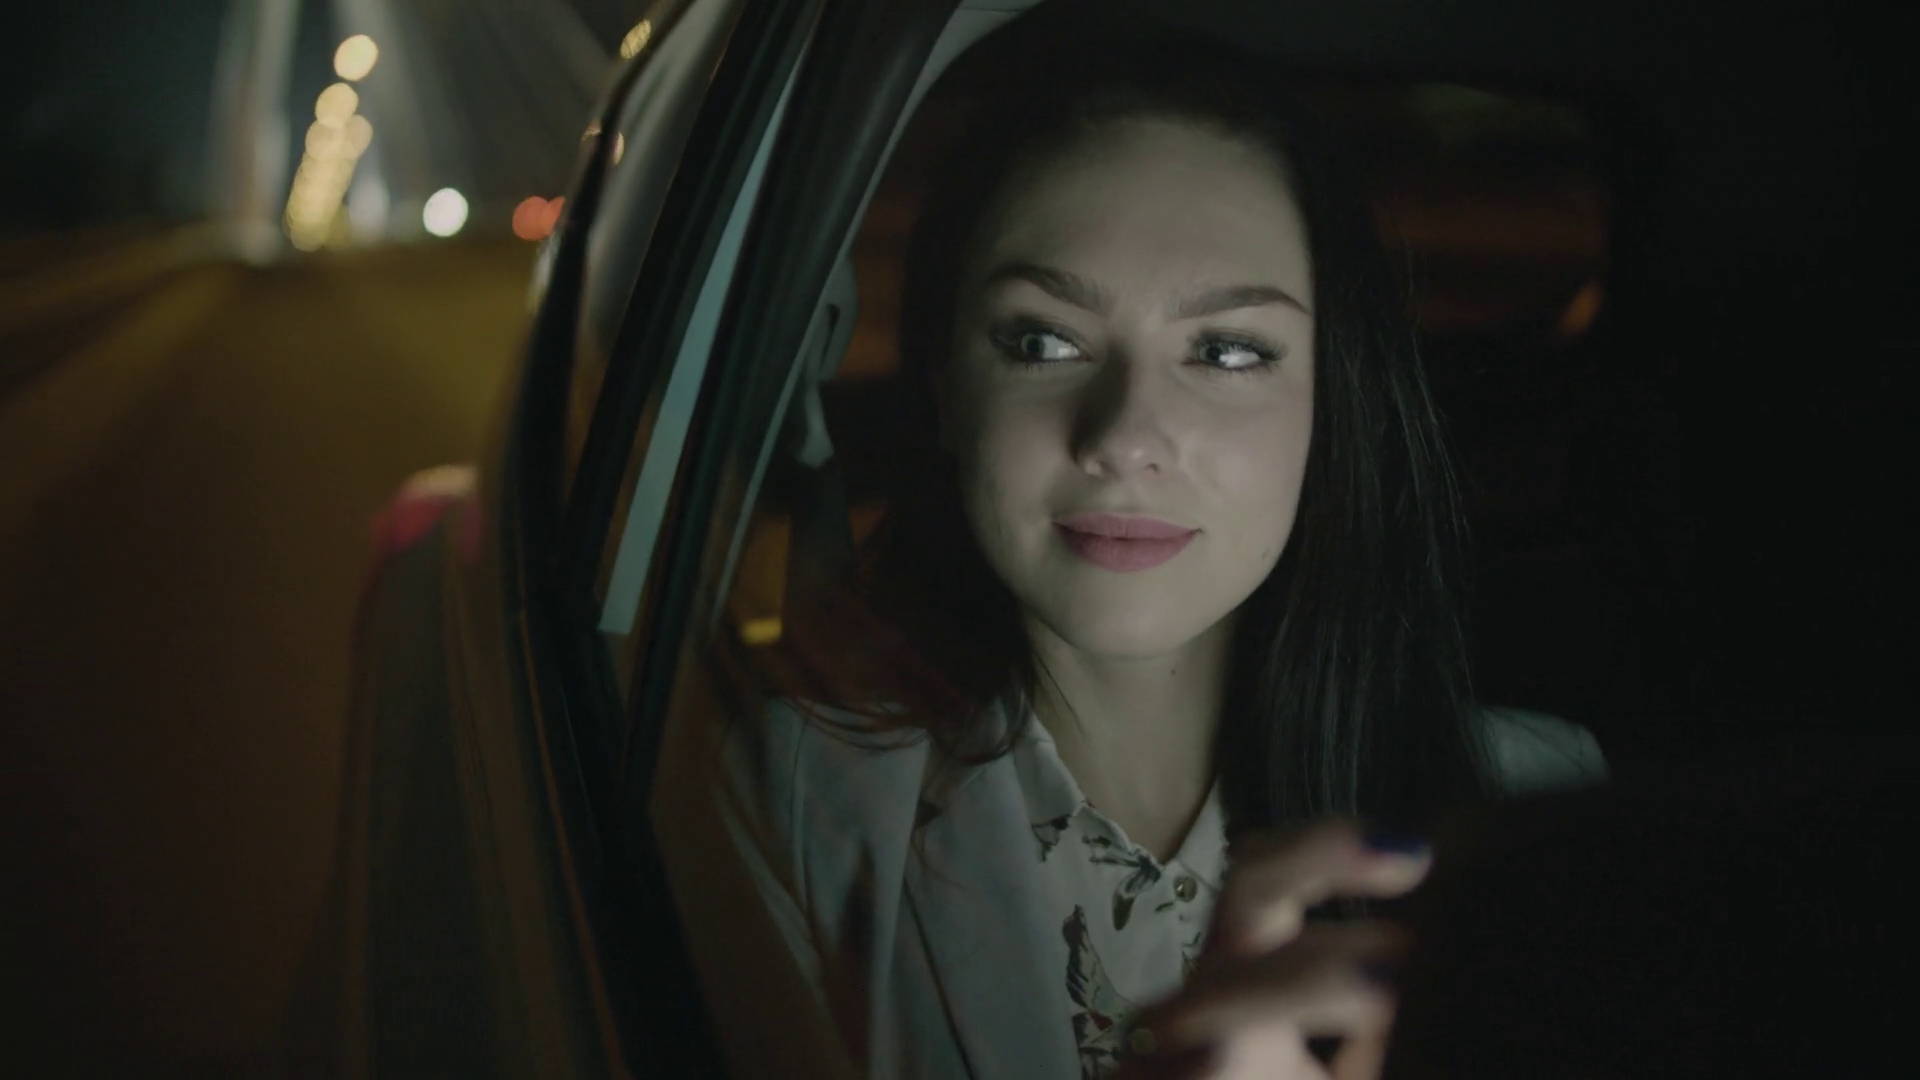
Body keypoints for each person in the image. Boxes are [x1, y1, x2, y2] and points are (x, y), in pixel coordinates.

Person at [685, 12, 1606, 1079]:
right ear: (944, 385)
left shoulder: (1544, 811)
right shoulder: (793, 805)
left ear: (1334, 401)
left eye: (1226, 351)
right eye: (1044, 340)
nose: (1124, 438)